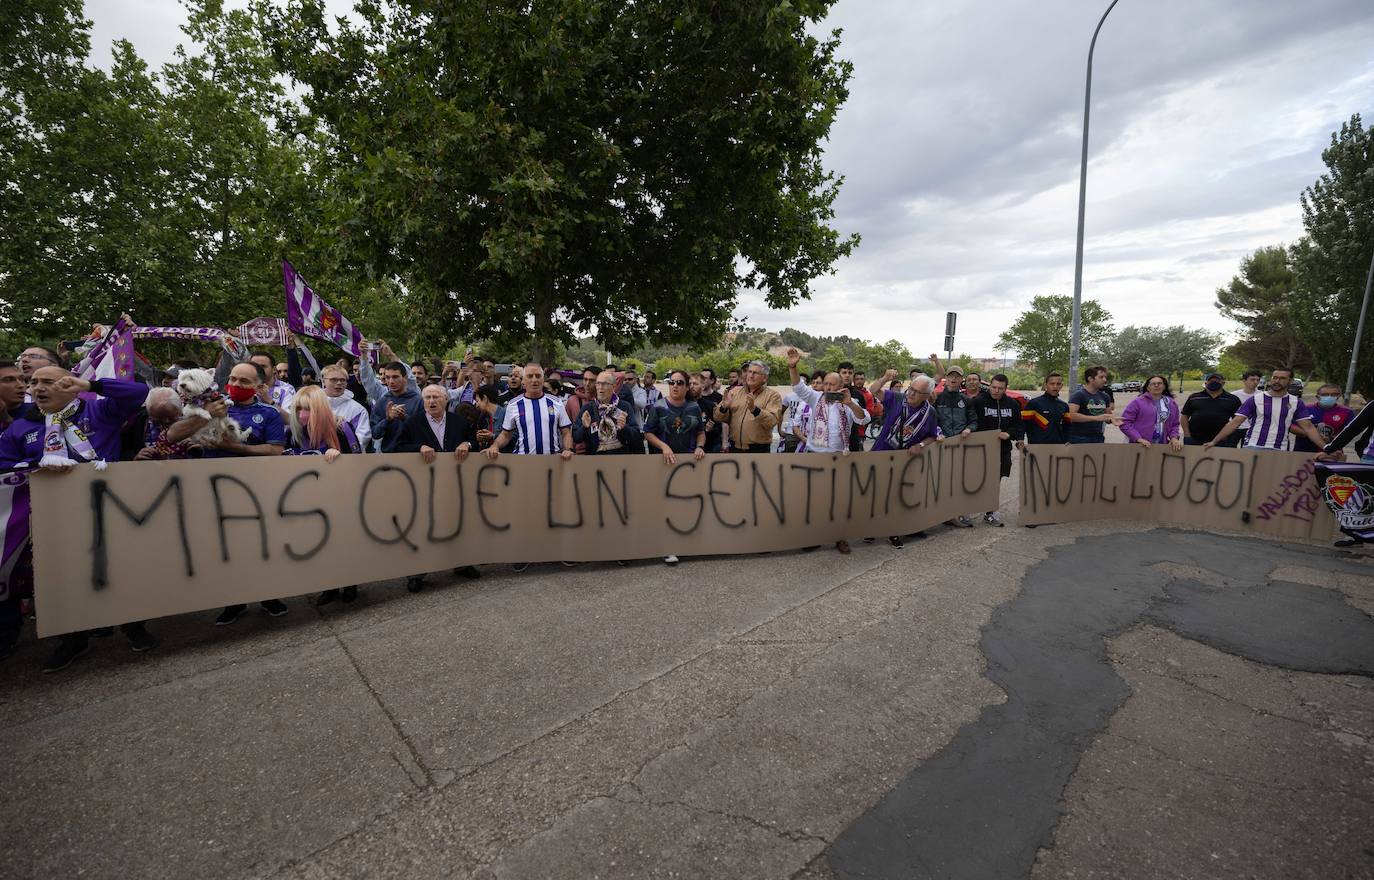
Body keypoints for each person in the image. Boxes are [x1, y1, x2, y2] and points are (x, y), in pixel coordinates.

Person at [0, 367, 154, 670]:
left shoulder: (98, 411)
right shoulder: (21, 426)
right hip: (50, 517)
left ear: (70, 385)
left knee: (122, 571)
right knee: (62, 578)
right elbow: (4, 465)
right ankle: (73, 639)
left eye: (48, 381)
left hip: (107, 508)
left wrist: (91, 384)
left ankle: (134, 627)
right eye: (33, 383)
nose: (37, 388)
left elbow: (138, 393)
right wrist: (36, 467)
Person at [168, 361, 292, 624]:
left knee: (259, 548)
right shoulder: (208, 404)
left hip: (255, 494)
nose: (235, 385)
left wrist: (237, 448)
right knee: (222, 550)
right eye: (233, 379)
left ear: (259, 387)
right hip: (213, 492)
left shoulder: (268, 414)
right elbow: (172, 435)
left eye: (244, 382)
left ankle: (269, 595)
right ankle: (233, 601)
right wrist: (204, 414)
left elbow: (275, 450)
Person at [485, 362, 575, 572]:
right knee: (524, 510)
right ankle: (524, 553)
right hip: (524, 466)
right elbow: (506, 434)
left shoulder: (557, 403)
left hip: (552, 464)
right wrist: (495, 445)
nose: (534, 380)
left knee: (555, 509)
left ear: (543, 379)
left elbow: (566, 432)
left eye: (538, 376)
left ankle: (559, 551)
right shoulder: (514, 405)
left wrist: (568, 449)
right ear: (523, 381)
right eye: (530, 376)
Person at [282, 385, 366, 603]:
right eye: (298, 408)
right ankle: (328, 587)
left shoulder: (341, 427)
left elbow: (358, 464)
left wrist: (339, 457)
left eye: (307, 408)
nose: (302, 414)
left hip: (339, 498)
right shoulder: (292, 432)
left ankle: (350, 583)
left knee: (343, 543)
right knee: (319, 546)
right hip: (308, 501)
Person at [397, 384, 482, 591]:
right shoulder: (412, 422)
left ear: (446, 400)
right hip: (423, 486)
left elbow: (474, 442)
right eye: (427, 397)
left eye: (436, 397)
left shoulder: (459, 422)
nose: (432, 401)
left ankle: (460, 564)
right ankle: (417, 573)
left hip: (455, 484)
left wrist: (467, 445)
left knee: (457, 523)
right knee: (423, 528)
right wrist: (418, 447)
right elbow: (397, 447)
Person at [785, 348, 869, 554]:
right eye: (826, 384)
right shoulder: (816, 398)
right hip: (814, 456)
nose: (828, 387)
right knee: (814, 501)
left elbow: (864, 419)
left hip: (839, 458)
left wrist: (849, 403)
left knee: (838, 501)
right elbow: (797, 386)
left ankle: (839, 537)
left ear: (842, 387)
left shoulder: (851, 402)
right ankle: (816, 537)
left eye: (832, 385)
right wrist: (793, 366)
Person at [868, 371, 941, 548]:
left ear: (926, 396)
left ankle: (893, 531)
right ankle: (869, 529)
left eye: (917, 392)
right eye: (911, 389)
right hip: (880, 454)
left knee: (895, 498)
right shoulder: (898, 399)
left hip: (904, 461)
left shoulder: (929, 413)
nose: (911, 394)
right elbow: (874, 390)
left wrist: (920, 446)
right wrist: (885, 378)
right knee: (873, 494)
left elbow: (931, 436)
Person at [644, 370, 707, 565]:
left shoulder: (694, 407)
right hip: (664, 464)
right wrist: (664, 447)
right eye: (672, 382)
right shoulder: (659, 407)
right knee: (665, 506)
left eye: (680, 382)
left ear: (687, 386)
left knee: (686, 504)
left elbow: (700, 432)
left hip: (687, 464)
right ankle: (667, 547)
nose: (675, 386)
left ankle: (687, 545)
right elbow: (647, 432)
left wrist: (699, 446)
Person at [1203, 367, 1323, 452]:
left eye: (1282, 378)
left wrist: (1326, 448)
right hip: (1253, 446)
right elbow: (1235, 422)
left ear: (1290, 381)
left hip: (1280, 448)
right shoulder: (1255, 399)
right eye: (1275, 377)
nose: (1277, 381)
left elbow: (1308, 427)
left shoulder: (1296, 402)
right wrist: (1214, 441)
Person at [973, 374, 1024, 526]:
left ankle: (990, 512)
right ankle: (968, 508)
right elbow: (972, 421)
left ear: (1005, 388)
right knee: (977, 479)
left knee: (996, 480)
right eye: (993, 387)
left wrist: (1010, 434)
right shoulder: (978, 402)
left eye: (1000, 388)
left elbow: (1018, 424)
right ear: (989, 386)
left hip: (1003, 449)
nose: (996, 391)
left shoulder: (1013, 404)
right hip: (981, 449)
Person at [933, 363, 978, 527]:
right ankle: (942, 514)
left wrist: (968, 429)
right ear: (946, 379)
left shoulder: (966, 400)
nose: (953, 378)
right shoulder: (937, 398)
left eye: (957, 376)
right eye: (951, 375)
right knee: (942, 481)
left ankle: (959, 513)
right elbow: (931, 421)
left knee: (959, 481)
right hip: (941, 446)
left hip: (961, 447)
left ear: (961, 380)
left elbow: (974, 421)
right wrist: (938, 433)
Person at [714, 360, 782, 453]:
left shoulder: (773, 395)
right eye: (749, 371)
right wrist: (723, 408)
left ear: (765, 378)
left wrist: (755, 410)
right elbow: (717, 417)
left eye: (755, 373)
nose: (750, 375)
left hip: (758, 450)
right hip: (735, 448)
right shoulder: (734, 392)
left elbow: (771, 422)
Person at [573, 370, 638, 455]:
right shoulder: (588, 408)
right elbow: (576, 438)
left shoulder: (624, 407)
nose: (600, 387)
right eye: (598, 383)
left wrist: (624, 428)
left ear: (613, 387)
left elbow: (636, 436)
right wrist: (584, 427)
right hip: (595, 460)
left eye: (604, 384)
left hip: (620, 459)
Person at [369, 361, 423, 453]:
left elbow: (423, 432)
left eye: (395, 377)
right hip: (388, 455)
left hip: (414, 454)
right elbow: (375, 434)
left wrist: (405, 418)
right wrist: (387, 420)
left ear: (405, 378)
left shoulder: (418, 401)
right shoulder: (382, 402)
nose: (391, 381)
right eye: (387, 377)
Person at [1118, 375, 1183, 450]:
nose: (1156, 385)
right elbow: (1124, 423)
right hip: (1139, 446)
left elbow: (1175, 424)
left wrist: (1174, 437)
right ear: (1148, 388)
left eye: (1160, 383)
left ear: (1164, 386)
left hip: (1162, 446)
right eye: (1153, 384)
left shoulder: (1171, 403)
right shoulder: (1137, 402)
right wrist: (1138, 438)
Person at [319, 364, 373, 450]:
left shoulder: (357, 409)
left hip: (346, 458)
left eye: (342, 380)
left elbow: (362, 439)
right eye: (334, 380)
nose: (339, 383)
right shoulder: (312, 404)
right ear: (323, 381)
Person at [1180, 372, 1242, 446]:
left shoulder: (1233, 399)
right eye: (1211, 381)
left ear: (1223, 383)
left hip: (1221, 441)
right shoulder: (1194, 397)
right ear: (1206, 383)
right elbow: (1184, 416)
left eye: (1217, 381)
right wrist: (1187, 435)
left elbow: (1237, 421)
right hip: (1194, 439)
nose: (1214, 383)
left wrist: (1226, 436)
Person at [1295, 384, 1354, 453]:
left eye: (1334, 395)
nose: (1329, 397)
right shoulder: (1305, 409)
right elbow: (1292, 427)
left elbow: (1350, 432)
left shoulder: (1347, 412)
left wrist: (1332, 439)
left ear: (1338, 396)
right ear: (1317, 396)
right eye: (1325, 394)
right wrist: (1312, 435)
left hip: (1332, 453)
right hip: (1303, 451)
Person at [1067, 365, 1115, 443]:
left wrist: (1113, 419)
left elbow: (1107, 416)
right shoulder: (1079, 395)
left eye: (1105, 377)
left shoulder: (1105, 396)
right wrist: (1096, 418)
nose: (1104, 380)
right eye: (1101, 377)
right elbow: (1071, 416)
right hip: (1079, 438)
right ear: (1090, 379)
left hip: (1098, 437)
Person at [1020, 372, 1070, 445]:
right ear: (1046, 385)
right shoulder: (1034, 403)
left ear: (1061, 386)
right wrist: (1020, 439)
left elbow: (1068, 426)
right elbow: (1023, 423)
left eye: (1058, 384)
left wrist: (1068, 440)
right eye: (1052, 383)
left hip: (1059, 447)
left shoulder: (1064, 405)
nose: (1055, 386)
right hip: (1037, 447)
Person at [697, 370, 725, 453]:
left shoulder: (719, 398)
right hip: (697, 442)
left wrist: (724, 441)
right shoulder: (694, 399)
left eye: (704, 378)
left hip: (713, 443)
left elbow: (724, 422)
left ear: (712, 381)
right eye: (700, 378)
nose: (702, 380)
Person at [0, 363, 25, 431]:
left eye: (22, 379)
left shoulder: (39, 413)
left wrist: (6, 418)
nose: (20, 385)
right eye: (9, 380)